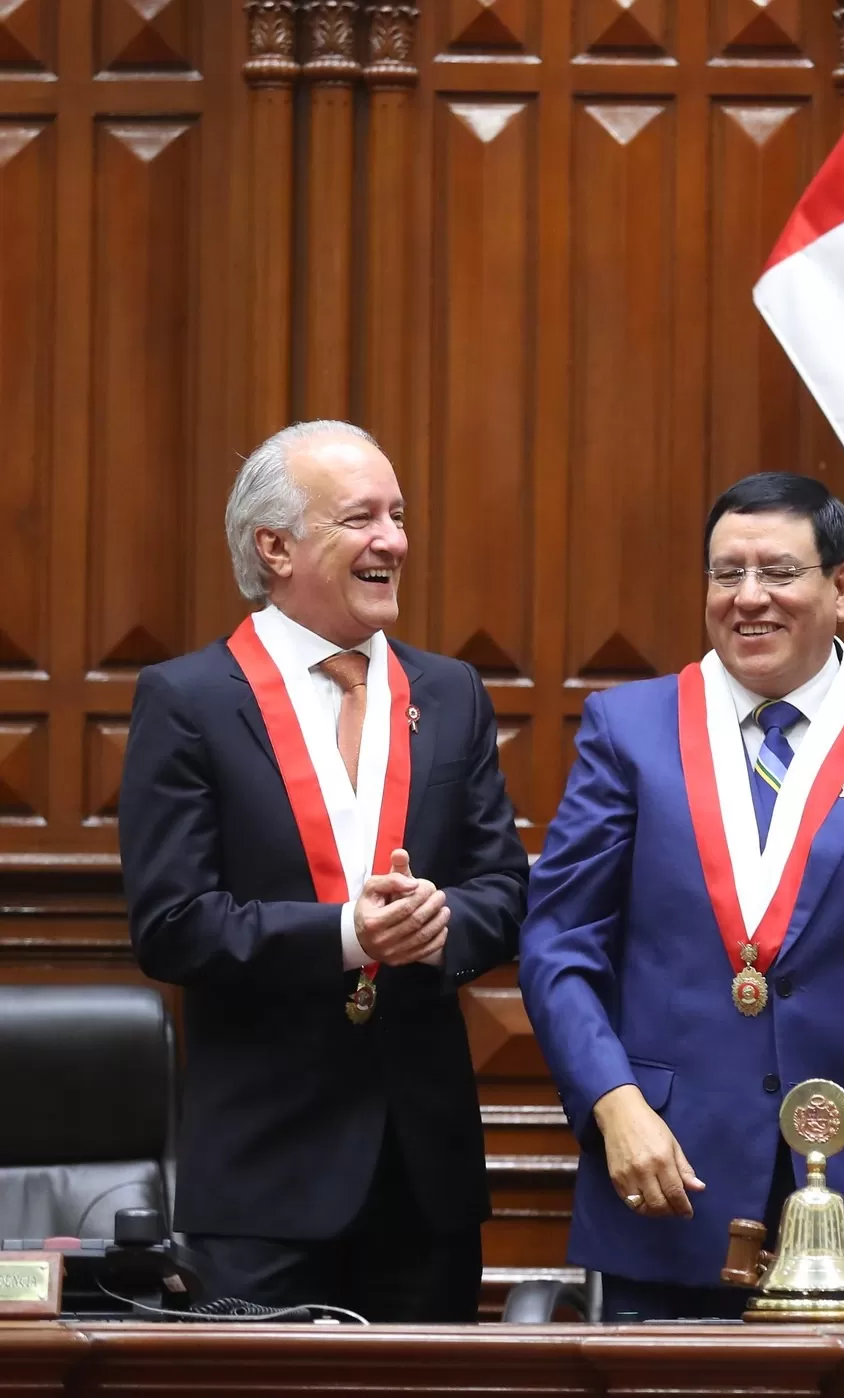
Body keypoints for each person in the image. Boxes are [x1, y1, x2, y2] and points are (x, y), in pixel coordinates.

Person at [519, 472, 844, 1321]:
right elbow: (558, 946)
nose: (749, 598)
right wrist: (616, 1105)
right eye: (727, 574)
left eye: (778, 572)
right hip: (669, 1181)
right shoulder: (629, 730)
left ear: (842, 586)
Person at [119, 420, 528, 1321]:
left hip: (426, 1180)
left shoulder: (451, 692)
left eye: (399, 515)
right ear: (275, 547)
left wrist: (441, 923)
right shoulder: (188, 701)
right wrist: (349, 934)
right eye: (361, 518)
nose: (394, 540)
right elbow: (173, 923)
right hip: (265, 1183)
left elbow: (504, 889)